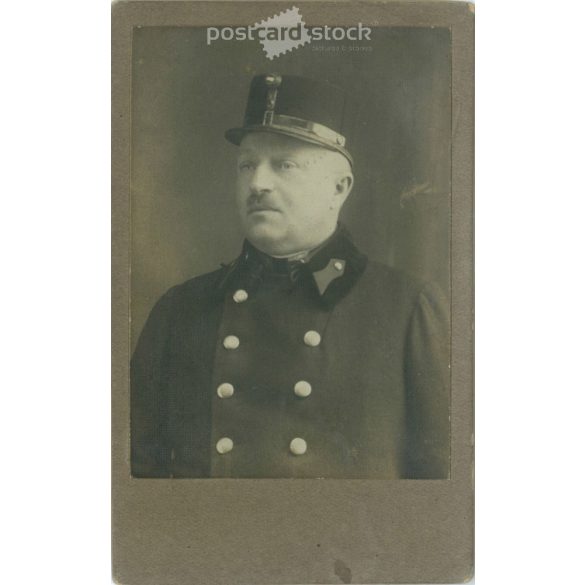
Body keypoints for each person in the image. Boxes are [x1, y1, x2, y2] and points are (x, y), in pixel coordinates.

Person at [131, 73, 450, 479]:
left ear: (339, 188)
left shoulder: (406, 311)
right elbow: (138, 487)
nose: (258, 183)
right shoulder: (180, 310)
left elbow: (439, 496)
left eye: (285, 164)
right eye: (247, 164)